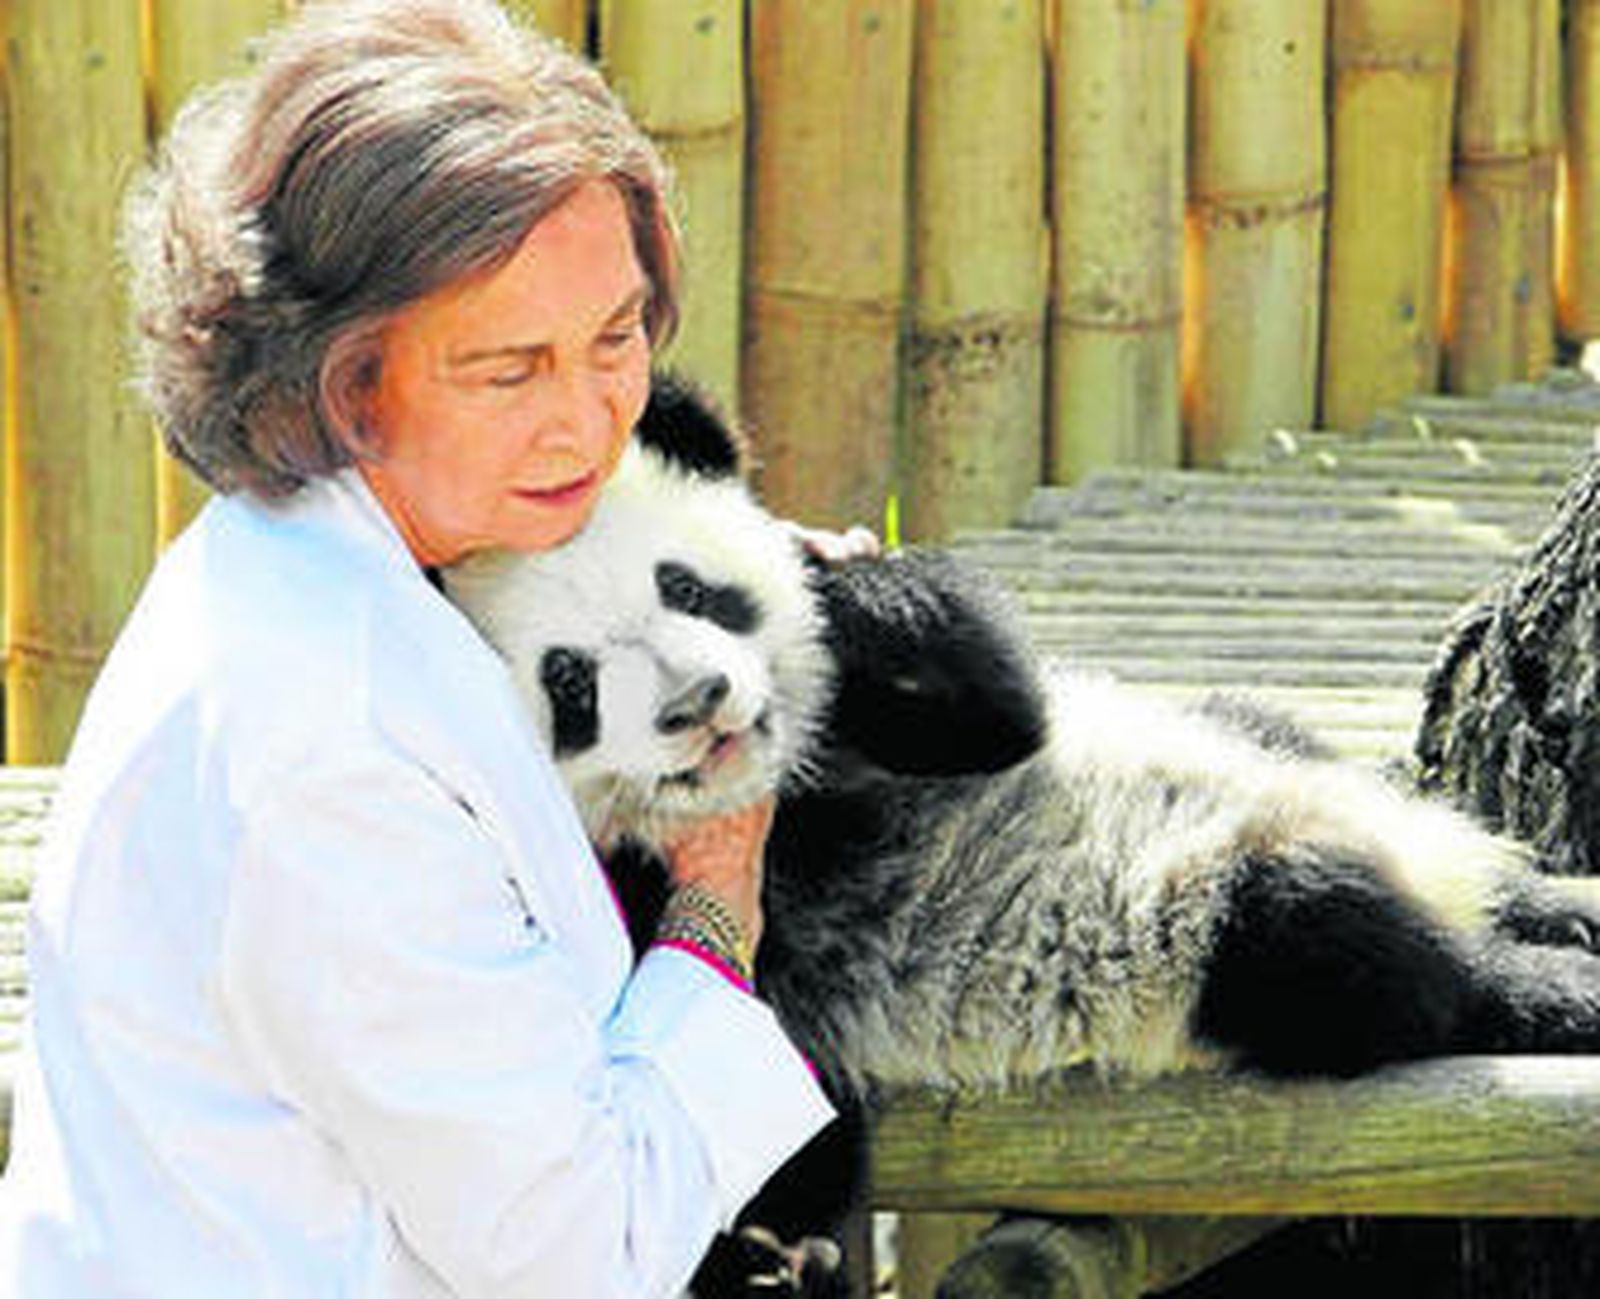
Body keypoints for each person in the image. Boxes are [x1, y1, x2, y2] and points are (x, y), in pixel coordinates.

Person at [0, 1, 841, 1293]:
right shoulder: (327, 743)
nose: (589, 421)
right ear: (345, 379)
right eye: (510, 371)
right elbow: (581, 1254)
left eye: (617, 338)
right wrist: (718, 903)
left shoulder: (310, 564)